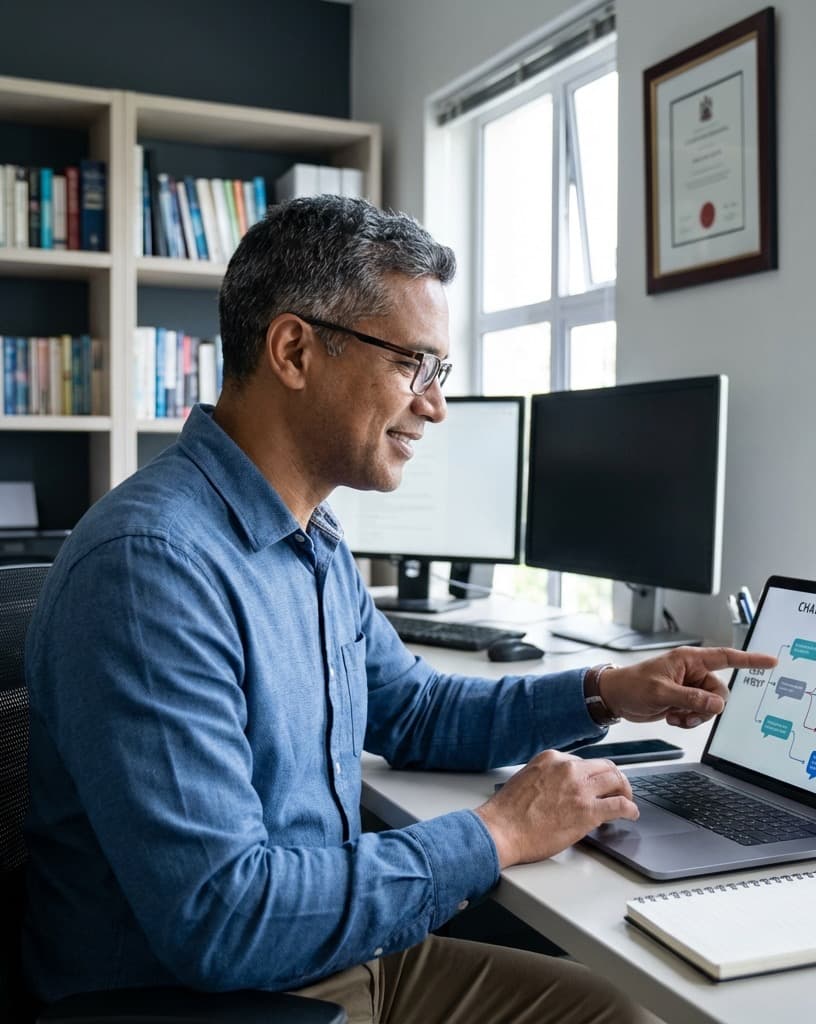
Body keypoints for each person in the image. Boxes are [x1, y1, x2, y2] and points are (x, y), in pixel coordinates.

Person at [23, 196, 776, 1023]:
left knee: (625, 1014)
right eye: (413, 364)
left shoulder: (310, 537)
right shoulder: (152, 570)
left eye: (439, 371)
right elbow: (223, 918)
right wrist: (495, 834)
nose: (436, 404)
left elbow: (412, 707)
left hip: (336, 958)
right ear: (293, 350)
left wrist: (605, 691)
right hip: (207, 998)